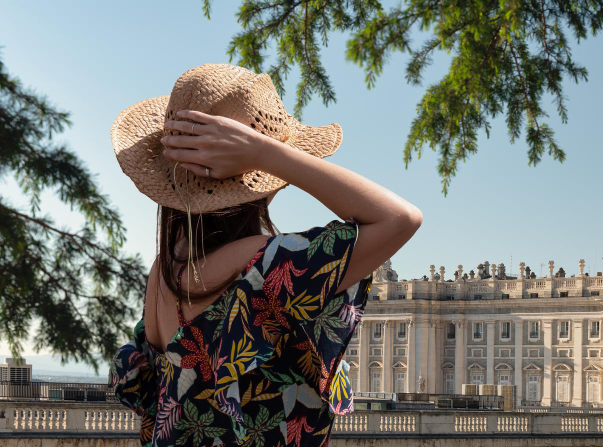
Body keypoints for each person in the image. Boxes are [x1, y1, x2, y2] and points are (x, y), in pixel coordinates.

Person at [108, 64, 422, 446]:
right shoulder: (270, 265)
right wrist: (266, 152)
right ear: (257, 176)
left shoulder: (164, 271)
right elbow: (400, 219)